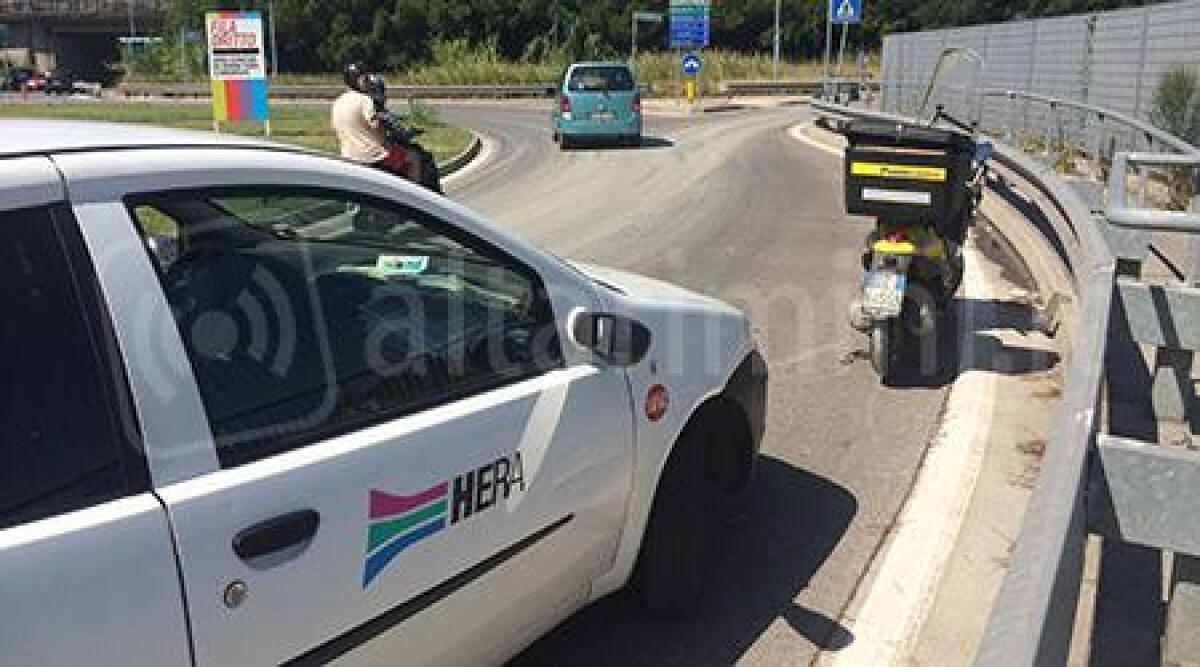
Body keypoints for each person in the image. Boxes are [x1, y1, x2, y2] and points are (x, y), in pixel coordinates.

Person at [331, 62, 415, 182]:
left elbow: (334, 128)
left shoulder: (338, 102)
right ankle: (409, 196)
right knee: (412, 158)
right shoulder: (365, 100)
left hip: (348, 158)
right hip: (374, 158)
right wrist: (395, 129)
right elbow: (376, 125)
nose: (368, 82)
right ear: (356, 80)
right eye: (365, 79)